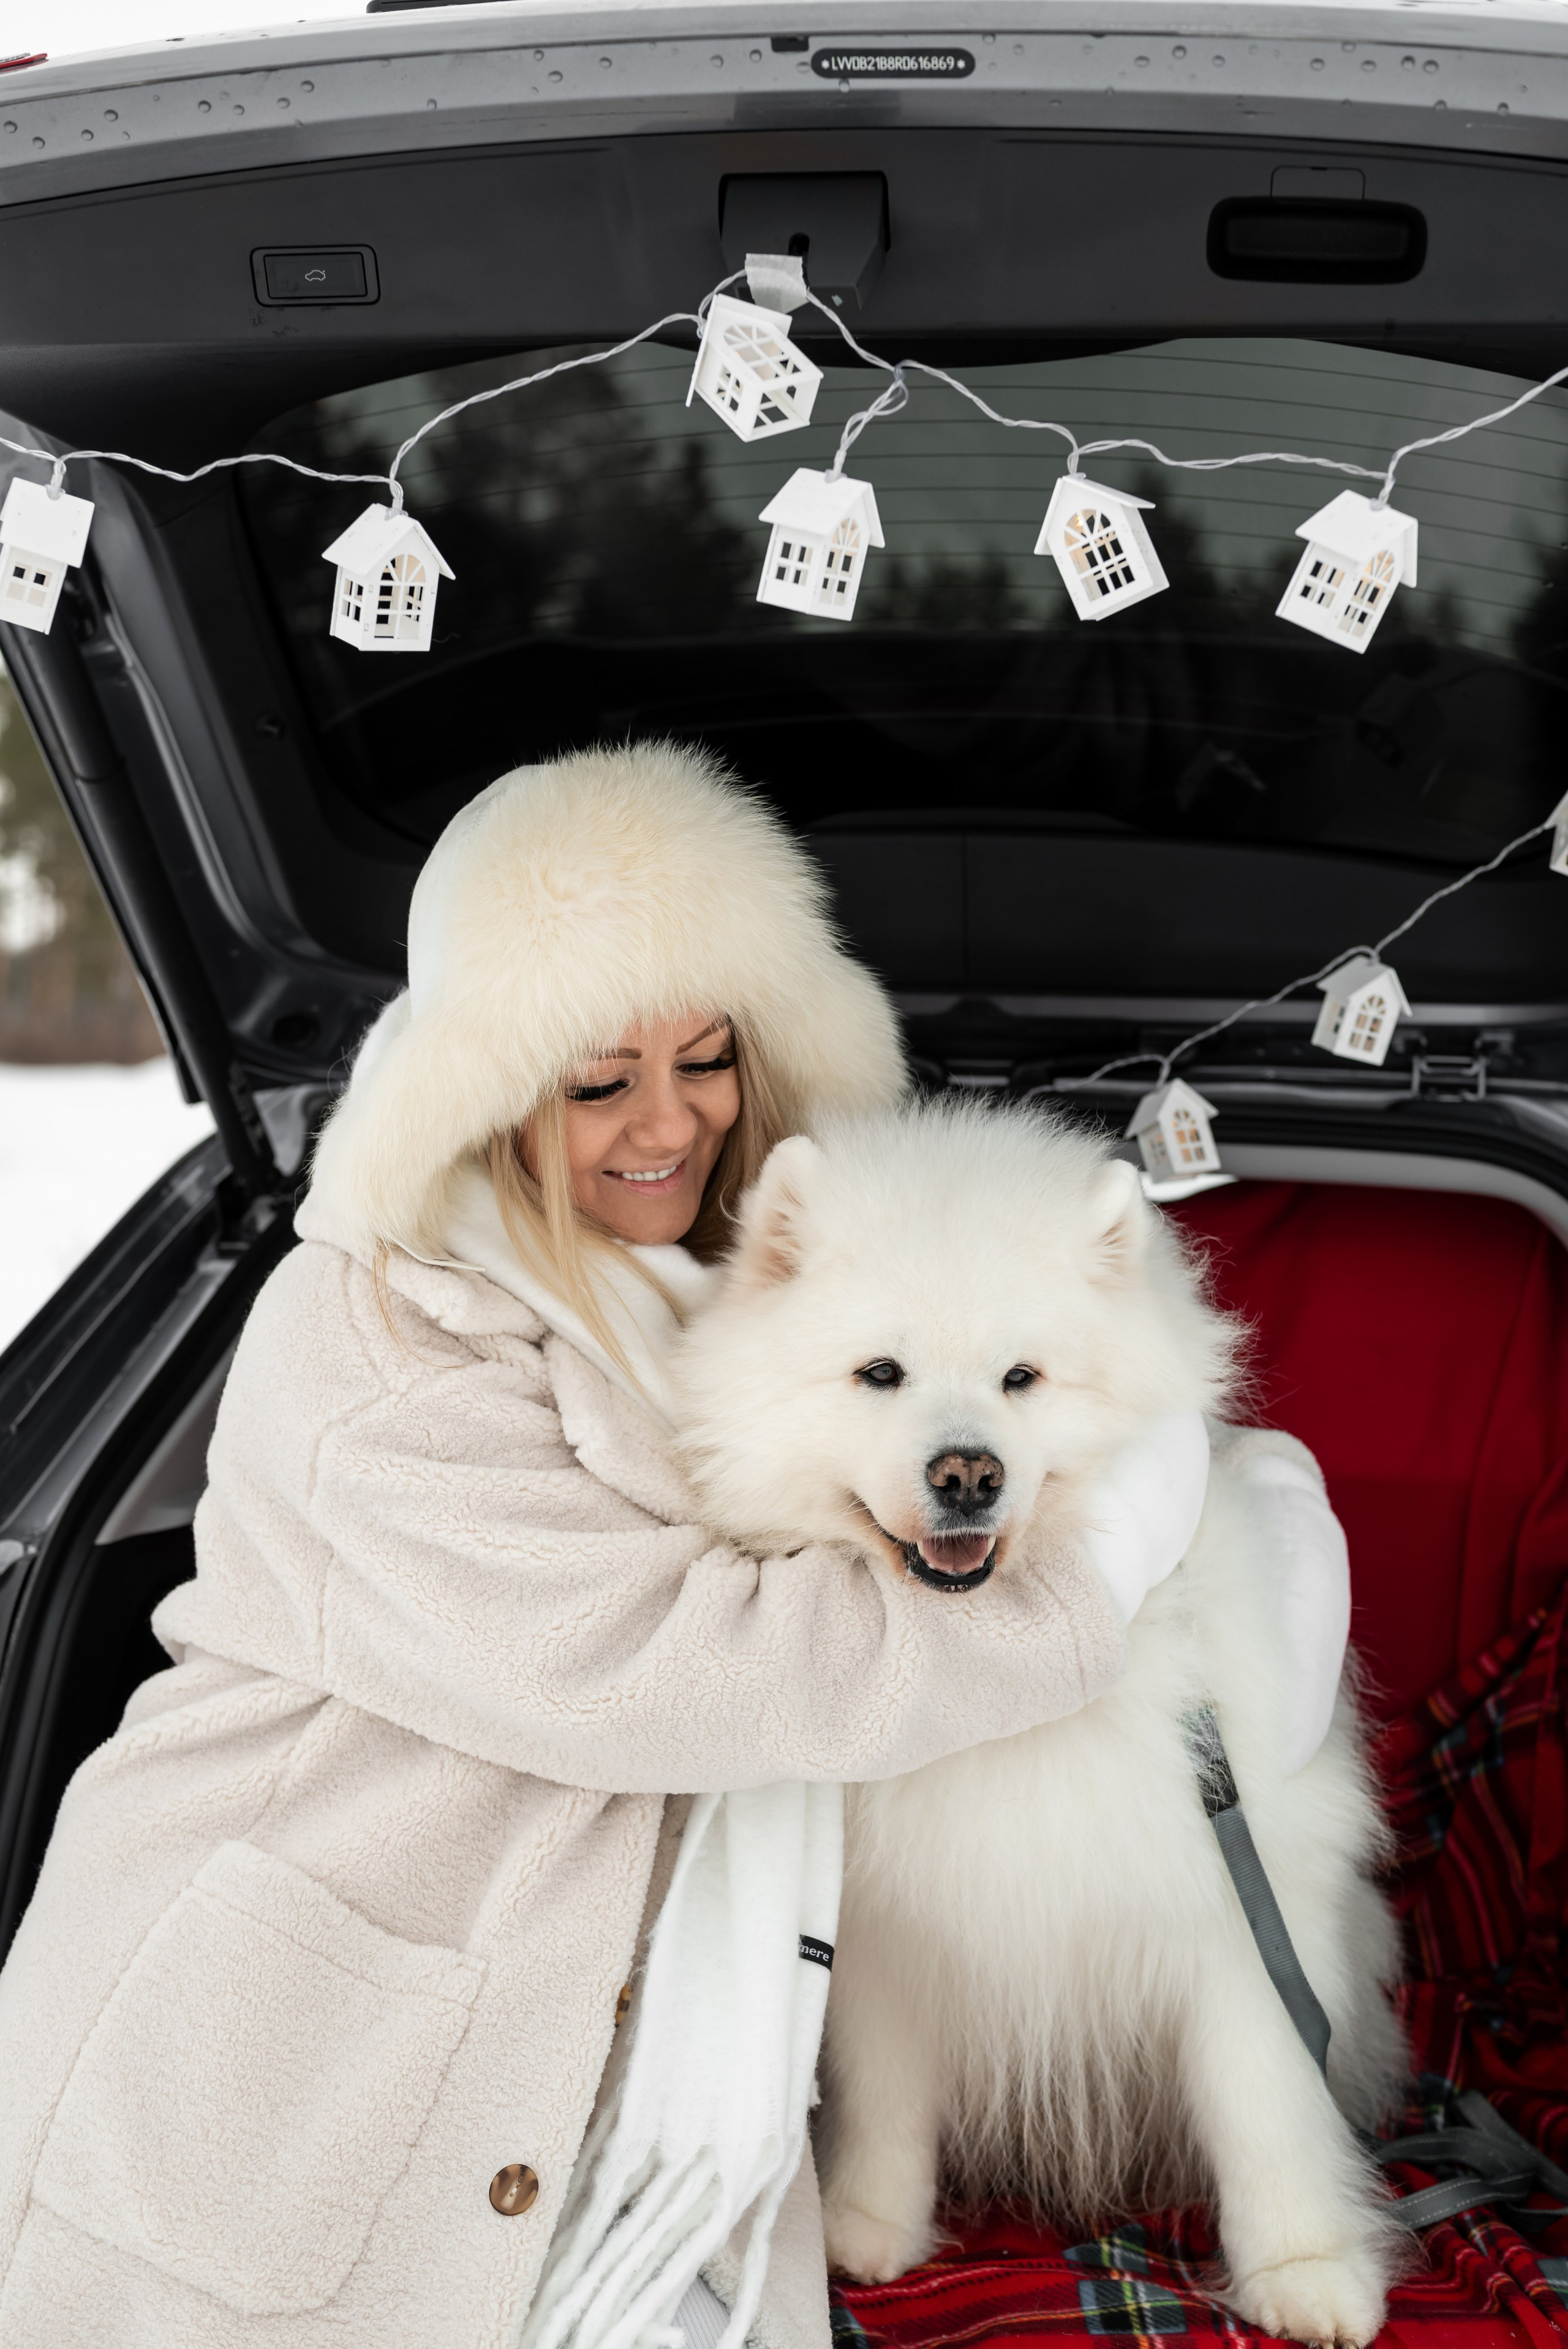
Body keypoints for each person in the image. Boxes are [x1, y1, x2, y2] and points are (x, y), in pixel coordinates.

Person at [0, 744, 1155, 2349]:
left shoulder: (721, 1293)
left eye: (707, 1057)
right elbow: (655, 1670)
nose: (668, 1126)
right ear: (493, 1087)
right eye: (600, 1079)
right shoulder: (378, 1329)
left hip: (564, 2050)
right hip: (283, 2075)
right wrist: (1089, 1593)